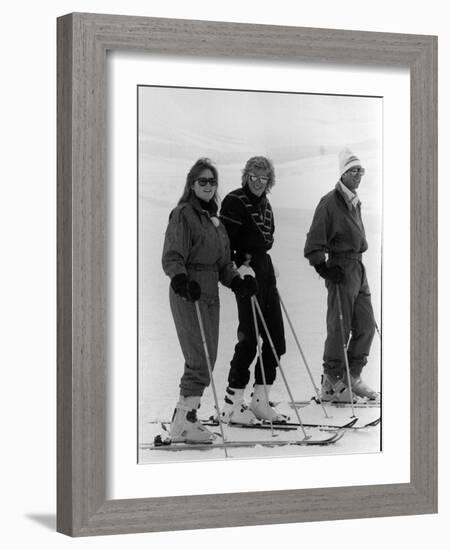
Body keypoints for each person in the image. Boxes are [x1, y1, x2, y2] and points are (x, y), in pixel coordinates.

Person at [162, 158, 257, 443]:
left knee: (208, 357)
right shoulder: (183, 215)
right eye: (202, 181)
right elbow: (173, 255)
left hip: (210, 294)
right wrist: (180, 279)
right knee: (198, 358)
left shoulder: (215, 221)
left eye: (212, 181)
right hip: (188, 292)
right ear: (192, 184)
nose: (207, 185)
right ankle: (184, 421)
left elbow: (223, 264)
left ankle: (186, 416)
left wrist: (238, 281)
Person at [304, 148, 378, 402]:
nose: (358, 175)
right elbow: (314, 242)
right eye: (353, 170)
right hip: (341, 268)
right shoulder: (330, 203)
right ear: (343, 173)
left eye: (361, 170)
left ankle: (352, 376)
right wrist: (323, 267)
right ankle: (332, 381)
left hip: (358, 268)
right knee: (340, 326)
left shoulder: (355, 202)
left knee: (366, 325)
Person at [218, 156, 288, 424]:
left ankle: (260, 399)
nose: (258, 183)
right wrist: (239, 266)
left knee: (276, 341)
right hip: (245, 274)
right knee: (249, 339)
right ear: (246, 176)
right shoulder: (235, 201)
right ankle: (232, 403)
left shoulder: (266, 206)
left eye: (263, 178)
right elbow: (225, 241)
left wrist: (266, 267)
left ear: (270, 181)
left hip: (264, 272)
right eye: (253, 177)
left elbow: (266, 241)